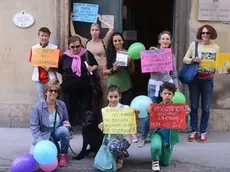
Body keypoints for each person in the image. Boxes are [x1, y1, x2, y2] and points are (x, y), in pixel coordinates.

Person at [138, 31, 179, 148]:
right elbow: (147, 68)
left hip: (167, 87)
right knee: (148, 111)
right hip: (153, 87)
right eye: (163, 39)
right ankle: (143, 137)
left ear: (170, 41)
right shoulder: (152, 53)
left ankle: (160, 136)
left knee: (164, 113)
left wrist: (177, 87)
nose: (165, 41)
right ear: (159, 41)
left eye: (167, 39)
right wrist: (153, 55)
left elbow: (174, 74)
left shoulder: (172, 56)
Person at [70, 12, 114, 116]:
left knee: (104, 96)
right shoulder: (86, 42)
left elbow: (111, 28)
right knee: (93, 96)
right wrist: (70, 19)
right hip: (91, 73)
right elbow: (73, 34)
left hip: (102, 73)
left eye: (97, 30)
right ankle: (95, 119)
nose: (95, 32)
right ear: (90, 31)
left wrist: (101, 19)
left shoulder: (104, 41)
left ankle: (104, 118)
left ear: (99, 31)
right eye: (93, 30)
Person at [183, 24, 219, 142]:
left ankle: (203, 132)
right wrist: (193, 59)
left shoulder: (215, 47)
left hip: (208, 79)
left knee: (206, 107)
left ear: (211, 34)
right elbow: (185, 59)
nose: (204, 35)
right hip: (195, 78)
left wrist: (225, 69)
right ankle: (194, 131)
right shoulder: (194, 45)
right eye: (203, 33)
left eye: (207, 33)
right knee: (193, 106)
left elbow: (218, 64)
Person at [146, 82, 190, 172]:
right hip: (157, 133)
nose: (167, 96)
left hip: (170, 136)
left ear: (173, 95)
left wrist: (185, 114)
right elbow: (148, 124)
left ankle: (161, 153)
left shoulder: (177, 108)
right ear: (161, 94)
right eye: (165, 93)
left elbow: (182, 124)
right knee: (155, 146)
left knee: (165, 163)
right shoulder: (155, 108)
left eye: (169, 94)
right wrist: (149, 114)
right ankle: (155, 160)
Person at [103, 32, 138, 143]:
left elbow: (132, 72)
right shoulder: (108, 54)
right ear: (112, 43)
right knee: (113, 110)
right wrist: (113, 69)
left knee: (127, 110)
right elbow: (104, 72)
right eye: (115, 41)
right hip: (113, 86)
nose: (117, 42)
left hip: (125, 84)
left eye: (119, 40)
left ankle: (131, 133)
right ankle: (111, 133)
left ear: (123, 41)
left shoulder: (128, 53)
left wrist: (131, 63)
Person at [57, 36, 98, 126]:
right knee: (69, 107)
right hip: (68, 86)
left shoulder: (86, 54)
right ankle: (68, 127)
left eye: (78, 46)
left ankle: (85, 125)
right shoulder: (64, 56)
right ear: (69, 47)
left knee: (85, 106)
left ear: (81, 45)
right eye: (73, 47)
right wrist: (61, 83)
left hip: (85, 86)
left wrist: (92, 68)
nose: (75, 49)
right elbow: (59, 71)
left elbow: (95, 65)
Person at [96, 85, 139, 170]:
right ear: (107, 97)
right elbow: (106, 126)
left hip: (124, 138)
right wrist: (101, 125)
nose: (113, 99)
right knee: (104, 152)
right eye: (111, 97)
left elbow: (133, 122)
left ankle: (120, 156)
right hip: (110, 137)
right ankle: (119, 152)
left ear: (120, 96)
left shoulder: (126, 108)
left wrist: (136, 114)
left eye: (116, 96)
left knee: (113, 147)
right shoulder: (105, 110)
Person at [30, 80, 71, 167]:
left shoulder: (61, 104)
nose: (53, 92)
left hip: (56, 131)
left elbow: (65, 119)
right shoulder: (38, 107)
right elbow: (34, 127)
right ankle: (53, 148)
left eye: (55, 91)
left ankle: (63, 155)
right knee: (34, 157)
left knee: (64, 131)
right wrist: (41, 143)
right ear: (45, 92)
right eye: (50, 90)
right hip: (44, 134)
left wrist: (66, 124)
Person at [29, 27, 61, 101]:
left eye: (46, 36)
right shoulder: (34, 48)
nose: (44, 38)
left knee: (52, 98)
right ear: (39, 36)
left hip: (51, 78)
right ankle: (44, 112)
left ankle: (52, 112)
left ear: (49, 37)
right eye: (42, 35)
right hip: (38, 78)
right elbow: (32, 62)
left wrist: (51, 68)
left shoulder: (55, 48)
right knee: (41, 99)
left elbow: (60, 64)